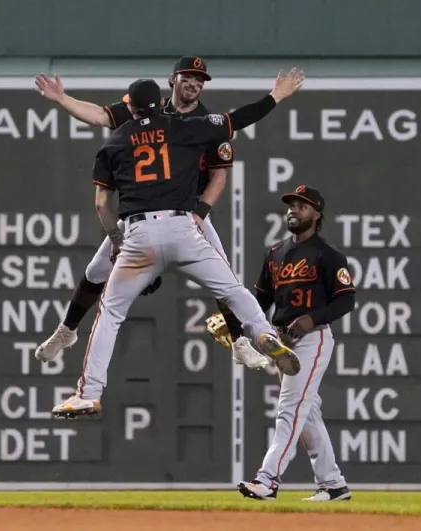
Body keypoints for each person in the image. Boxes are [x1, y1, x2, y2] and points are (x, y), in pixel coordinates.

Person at [52, 69, 305, 419]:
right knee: (232, 289)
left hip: (138, 234)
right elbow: (235, 120)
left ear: (132, 107)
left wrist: (115, 239)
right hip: (183, 227)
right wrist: (276, 96)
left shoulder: (114, 143)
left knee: (109, 314)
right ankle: (263, 333)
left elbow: (101, 205)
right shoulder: (183, 127)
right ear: (159, 102)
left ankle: (89, 394)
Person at [33, 56, 268, 370]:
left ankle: (239, 342)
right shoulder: (147, 108)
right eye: (188, 76)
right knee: (95, 272)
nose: (194, 83)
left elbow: (219, 174)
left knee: (224, 277)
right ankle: (67, 331)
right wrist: (63, 98)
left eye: (200, 79)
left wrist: (199, 212)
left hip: (187, 210)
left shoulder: (204, 121)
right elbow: (101, 115)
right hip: (141, 212)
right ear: (173, 80)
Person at [237, 185, 355, 502]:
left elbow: (346, 301)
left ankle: (268, 480)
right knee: (308, 412)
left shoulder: (328, 256)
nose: (293, 210)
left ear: (317, 214)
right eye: (291, 205)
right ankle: (333, 484)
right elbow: (259, 299)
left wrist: (311, 319)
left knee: (290, 409)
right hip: (282, 343)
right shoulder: (276, 253)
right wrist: (237, 323)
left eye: (301, 206)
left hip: (313, 339)